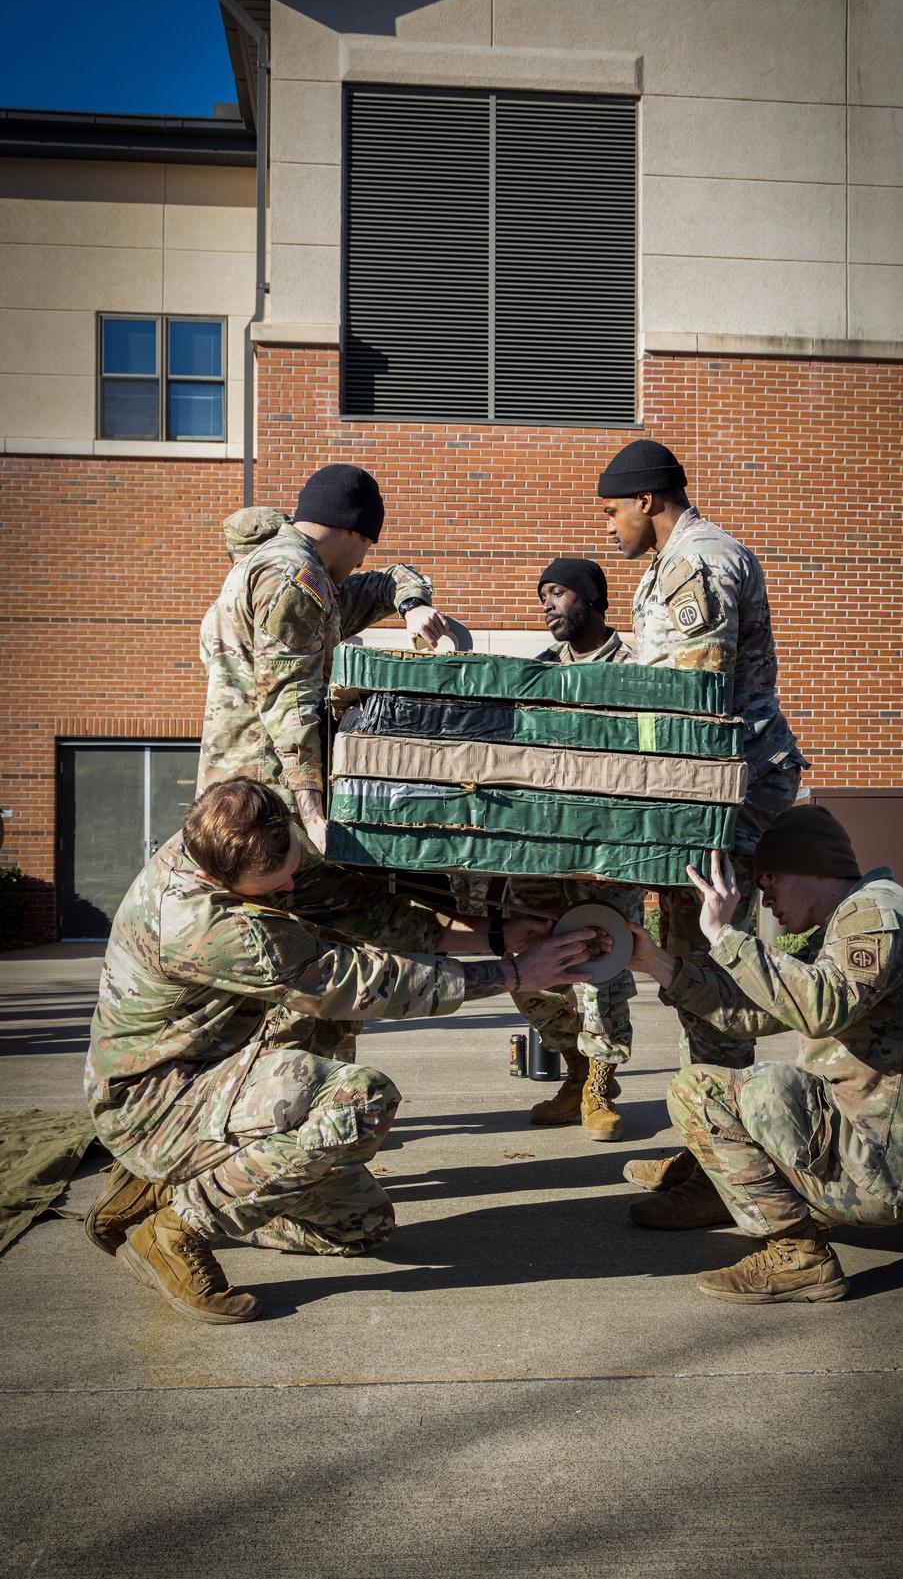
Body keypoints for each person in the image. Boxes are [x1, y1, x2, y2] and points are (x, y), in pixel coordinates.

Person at [83, 778, 600, 1324]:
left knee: (363, 1229)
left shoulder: (245, 836)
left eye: (288, 873)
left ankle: (169, 1185)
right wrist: (513, 972)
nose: (289, 891)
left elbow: (356, 911)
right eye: (275, 886)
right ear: (220, 877)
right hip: (158, 1099)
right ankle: (177, 1230)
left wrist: (498, 934)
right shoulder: (205, 926)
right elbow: (365, 983)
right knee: (360, 1099)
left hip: (216, 1065)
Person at [625, 806, 903, 1303]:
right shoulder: (843, 925)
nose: (765, 901)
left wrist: (724, 936)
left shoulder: (877, 910)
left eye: (770, 882)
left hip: (878, 1167)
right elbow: (754, 1009)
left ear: (810, 866)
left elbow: (821, 1008)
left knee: (699, 1091)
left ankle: (797, 1253)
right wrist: (654, 961)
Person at [600, 439, 805, 1214]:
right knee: (694, 972)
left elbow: (692, 708)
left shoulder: (697, 564)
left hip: (718, 797)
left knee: (711, 973)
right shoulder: (678, 562)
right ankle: (709, 1146)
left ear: (649, 500)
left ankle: (729, 1171)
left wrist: (669, 820)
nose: (609, 526)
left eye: (614, 510)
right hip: (707, 793)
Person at [197, 463, 451, 856]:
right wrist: (313, 815)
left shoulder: (299, 570)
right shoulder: (295, 574)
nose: (363, 561)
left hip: (245, 791)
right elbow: (289, 695)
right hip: (269, 797)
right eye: (367, 546)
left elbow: (386, 582)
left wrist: (413, 605)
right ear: (352, 530)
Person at [507, 558, 645, 1139]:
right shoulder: (539, 673)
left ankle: (598, 1087)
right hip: (541, 852)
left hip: (606, 851)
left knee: (599, 968)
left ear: (589, 598)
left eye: (557, 593)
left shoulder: (636, 667)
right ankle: (573, 1070)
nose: (546, 605)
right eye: (542, 595)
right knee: (533, 967)